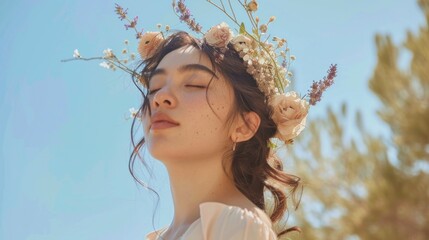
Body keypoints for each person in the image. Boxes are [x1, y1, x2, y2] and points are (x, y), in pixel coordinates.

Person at [65, 1, 336, 239]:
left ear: (244, 126)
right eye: (155, 87)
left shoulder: (237, 227)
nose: (160, 98)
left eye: (194, 84)